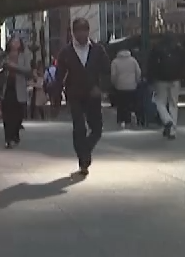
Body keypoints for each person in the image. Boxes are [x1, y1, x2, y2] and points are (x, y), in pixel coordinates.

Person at [54, 18, 111, 176]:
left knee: (97, 129)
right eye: (77, 31)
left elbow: (107, 70)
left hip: (93, 94)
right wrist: (56, 98)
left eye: (83, 30)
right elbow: (59, 76)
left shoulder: (98, 50)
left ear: (88, 31)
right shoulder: (66, 52)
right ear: (73, 33)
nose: (81, 34)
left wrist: (101, 88)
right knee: (79, 128)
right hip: (75, 95)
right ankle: (83, 160)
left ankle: (85, 148)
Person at [148, 31, 185, 140]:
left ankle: (167, 120)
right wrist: (183, 77)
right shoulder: (178, 48)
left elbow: (151, 64)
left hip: (161, 79)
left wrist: (151, 78)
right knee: (173, 104)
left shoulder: (157, 48)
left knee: (160, 102)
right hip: (175, 79)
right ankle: (172, 131)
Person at [0, 37, 30, 148]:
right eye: (13, 41)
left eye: (17, 42)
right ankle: (8, 138)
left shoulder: (24, 55)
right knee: (7, 114)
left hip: (19, 87)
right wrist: (2, 66)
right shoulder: (4, 55)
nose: (15, 43)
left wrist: (14, 67)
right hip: (6, 87)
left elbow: (28, 70)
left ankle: (15, 134)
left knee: (18, 115)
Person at [109, 46, 143, 129]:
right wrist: (137, 81)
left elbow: (113, 75)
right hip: (132, 85)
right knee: (129, 103)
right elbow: (138, 72)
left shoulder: (115, 62)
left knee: (121, 104)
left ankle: (121, 120)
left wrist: (114, 83)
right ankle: (128, 121)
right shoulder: (133, 60)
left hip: (120, 86)